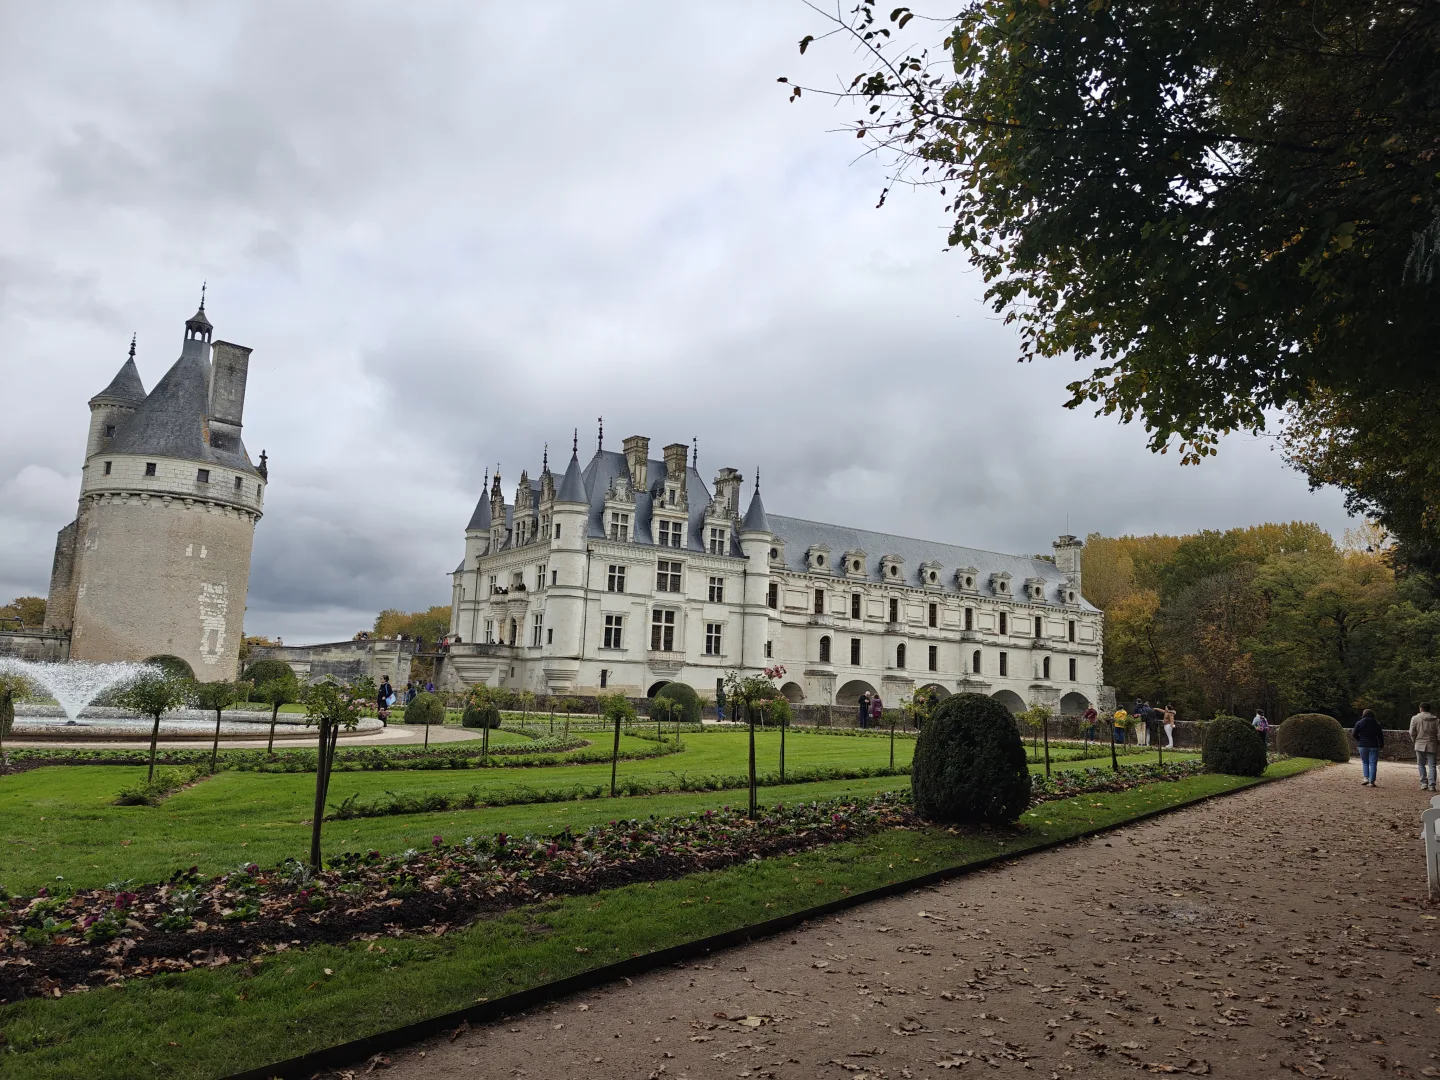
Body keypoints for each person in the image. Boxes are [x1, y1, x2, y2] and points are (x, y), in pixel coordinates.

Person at [1410, 701, 1438, 792]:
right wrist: (1437, 742)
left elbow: (1412, 732)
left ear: (1421, 709)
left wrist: (1415, 741)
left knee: (1421, 764)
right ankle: (1432, 785)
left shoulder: (1415, 718)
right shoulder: (1436, 720)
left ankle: (1424, 783)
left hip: (1419, 743)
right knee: (1432, 765)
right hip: (1432, 743)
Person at [1353, 708, 1384, 786]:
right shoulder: (1376, 724)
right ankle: (1371, 781)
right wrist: (1381, 745)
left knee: (1365, 762)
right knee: (1373, 764)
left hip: (1363, 745)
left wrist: (1359, 739)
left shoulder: (1359, 723)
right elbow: (1380, 736)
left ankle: (1366, 778)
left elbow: (1354, 734)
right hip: (1374, 745)